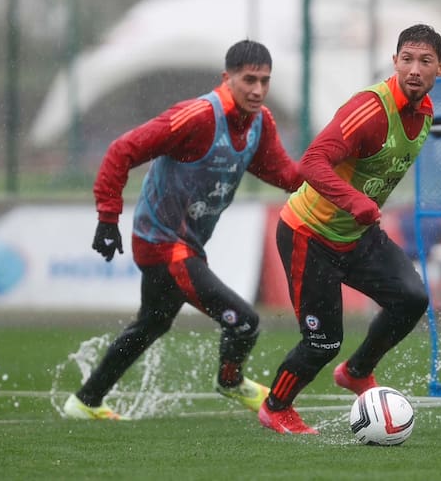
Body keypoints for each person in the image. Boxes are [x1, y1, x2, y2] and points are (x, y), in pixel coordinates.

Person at [63, 39, 302, 420]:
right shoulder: (197, 117)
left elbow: (286, 175)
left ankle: (86, 401)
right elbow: (122, 151)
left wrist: (333, 165)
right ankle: (231, 381)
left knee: (151, 325)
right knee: (244, 323)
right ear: (227, 78)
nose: (258, 90)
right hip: (161, 243)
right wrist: (108, 218)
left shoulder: (260, 123)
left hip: (185, 245)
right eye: (249, 80)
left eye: (265, 81)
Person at [258, 24, 441, 434]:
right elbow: (311, 162)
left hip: (357, 236)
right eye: (407, 59)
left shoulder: (427, 113)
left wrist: (361, 209)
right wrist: (357, 202)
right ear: (395, 62)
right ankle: (276, 406)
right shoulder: (370, 110)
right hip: (310, 235)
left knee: (412, 298)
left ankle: (358, 371)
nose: (414, 69)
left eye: (425, 61)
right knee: (323, 343)